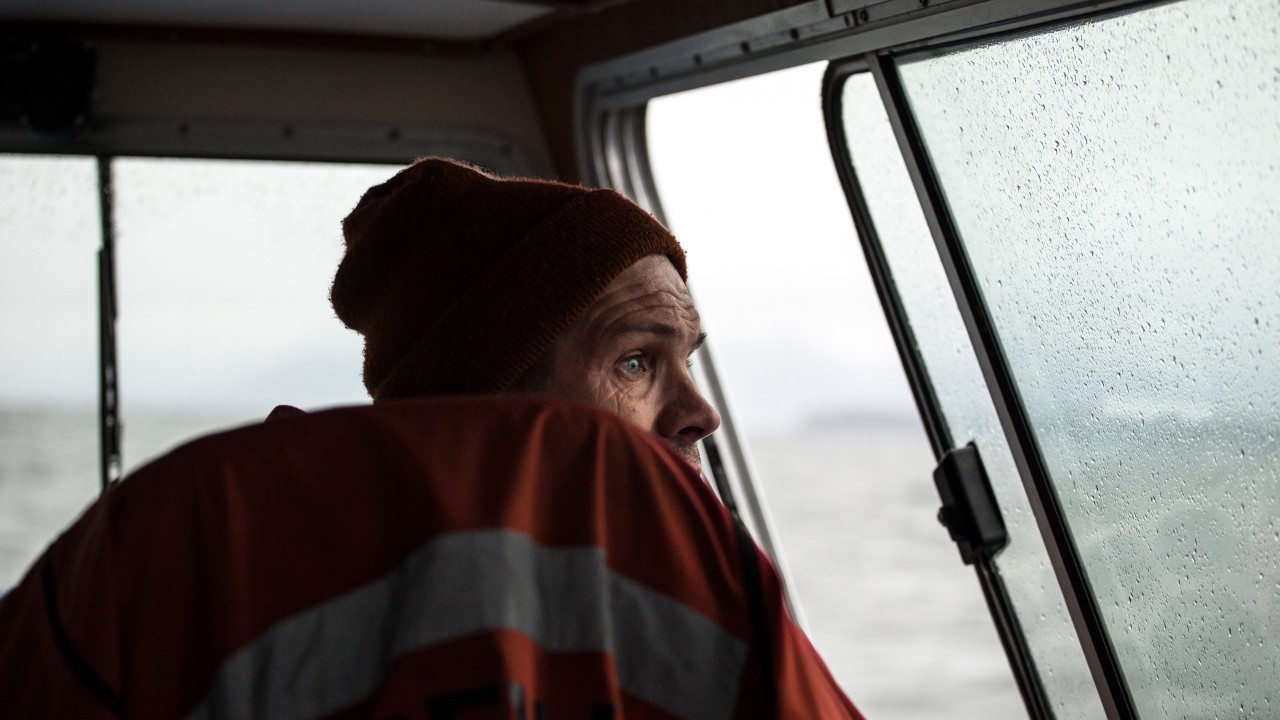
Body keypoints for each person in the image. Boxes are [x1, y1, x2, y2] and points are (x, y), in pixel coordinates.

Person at [0, 158, 863, 719]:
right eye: (636, 362)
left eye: (687, 361)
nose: (700, 412)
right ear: (483, 405)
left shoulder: (160, 534)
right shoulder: (684, 565)